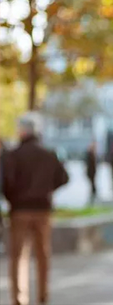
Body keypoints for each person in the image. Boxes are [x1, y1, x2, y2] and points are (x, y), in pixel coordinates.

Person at [2, 115, 69, 305]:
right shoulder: (49, 154)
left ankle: (19, 298)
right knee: (43, 254)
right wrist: (46, 190)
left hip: (19, 210)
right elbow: (63, 178)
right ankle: (43, 295)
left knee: (18, 256)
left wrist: (13, 198)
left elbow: (5, 182)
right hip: (43, 209)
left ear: (22, 131)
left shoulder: (11, 155)